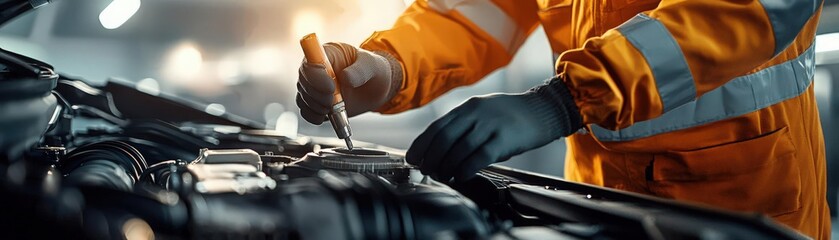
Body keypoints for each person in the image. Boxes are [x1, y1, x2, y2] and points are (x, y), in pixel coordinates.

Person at [296, 0, 828, 238]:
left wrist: (565, 101)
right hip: (596, 202)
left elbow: (753, 7)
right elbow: (480, 9)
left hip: (740, 206)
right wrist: (390, 67)